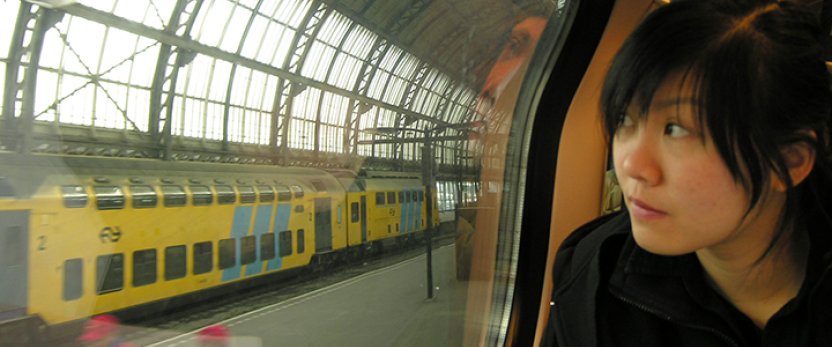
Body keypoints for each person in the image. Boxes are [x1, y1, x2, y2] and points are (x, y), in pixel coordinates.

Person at [544, 0, 832, 346]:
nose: (632, 166)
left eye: (676, 129)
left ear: (790, 162)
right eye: (624, 120)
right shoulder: (594, 286)